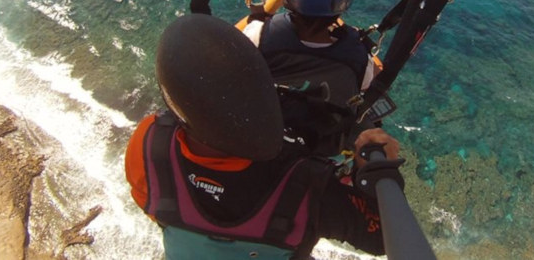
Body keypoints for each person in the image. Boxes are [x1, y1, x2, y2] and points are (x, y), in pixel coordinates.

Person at [125, 13, 401, 259]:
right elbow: (382, 238)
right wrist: (372, 173)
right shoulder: (310, 182)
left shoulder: (149, 144)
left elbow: (153, 207)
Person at [242, 0, 378, 156]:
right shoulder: (358, 56)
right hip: (313, 154)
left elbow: (228, 43)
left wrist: (268, 7)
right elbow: (367, 81)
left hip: (262, 137)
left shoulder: (259, 35)